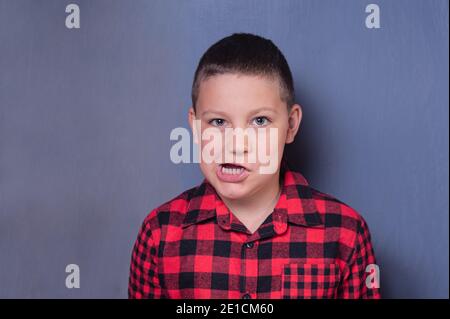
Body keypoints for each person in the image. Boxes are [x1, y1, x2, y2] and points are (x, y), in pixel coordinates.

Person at [128, 33, 380, 299]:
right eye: (218, 122)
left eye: (259, 121)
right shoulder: (160, 234)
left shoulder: (345, 233)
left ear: (291, 125)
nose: (236, 145)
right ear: (194, 125)